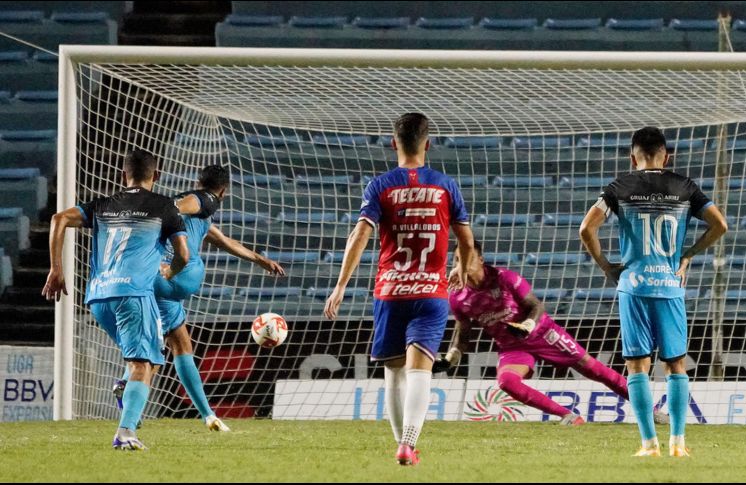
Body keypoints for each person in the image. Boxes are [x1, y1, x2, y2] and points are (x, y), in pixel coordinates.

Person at [324, 113, 475, 466]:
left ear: (394, 144)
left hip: (391, 290)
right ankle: (409, 442)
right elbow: (466, 239)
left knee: (393, 372)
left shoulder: (380, 185)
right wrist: (460, 266)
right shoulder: (445, 185)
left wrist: (341, 285)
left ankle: (400, 442)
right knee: (420, 370)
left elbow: (360, 234)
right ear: (428, 144)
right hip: (431, 292)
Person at [579, 126, 728, 457]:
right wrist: (687, 256)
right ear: (667, 155)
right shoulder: (684, 186)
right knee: (676, 366)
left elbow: (586, 229)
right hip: (670, 286)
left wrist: (606, 266)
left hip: (634, 286)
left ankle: (649, 444)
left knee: (637, 366)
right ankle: (678, 442)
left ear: (633, 157)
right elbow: (720, 224)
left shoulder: (619, 187)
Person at [112, 165, 286, 432]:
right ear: (224, 191)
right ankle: (133, 389)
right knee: (164, 351)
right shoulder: (204, 200)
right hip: (172, 279)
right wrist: (165, 207)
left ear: (198, 179)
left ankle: (207, 415)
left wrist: (261, 260)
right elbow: (181, 204)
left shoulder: (201, 218)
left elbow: (225, 241)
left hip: (156, 283)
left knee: (176, 343)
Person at [43, 149, 189, 450]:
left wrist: (56, 268)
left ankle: (126, 392)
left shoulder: (103, 205)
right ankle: (124, 432)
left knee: (148, 356)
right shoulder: (163, 205)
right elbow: (183, 255)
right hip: (133, 293)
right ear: (157, 175)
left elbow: (59, 218)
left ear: (124, 175)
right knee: (142, 363)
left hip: (98, 297)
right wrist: (169, 272)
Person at [436, 241, 669, 425]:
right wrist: (450, 357)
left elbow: (536, 306)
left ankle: (652, 411)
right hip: (512, 346)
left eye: (467, 257)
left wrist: (526, 326)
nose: (462, 263)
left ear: (480, 259)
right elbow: (463, 332)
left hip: (543, 333)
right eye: (457, 259)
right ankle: (568, 416)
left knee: (595, 370)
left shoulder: (504, 278)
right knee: (506, 382)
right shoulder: (458, 297)